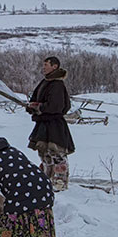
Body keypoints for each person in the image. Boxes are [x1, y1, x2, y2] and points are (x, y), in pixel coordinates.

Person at [27, 56, 75, 192]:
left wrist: (39, 107)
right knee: (45, 155)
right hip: (43, 125)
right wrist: (31, 106)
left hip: (55, 125)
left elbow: (57, 106)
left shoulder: (57, 84)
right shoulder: (45, 82)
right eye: (43, 64)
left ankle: (60, 184)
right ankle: (46, 182)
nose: (44, 67)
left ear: (55, 66)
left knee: (57, 155)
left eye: (46, 64)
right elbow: (35, 99)